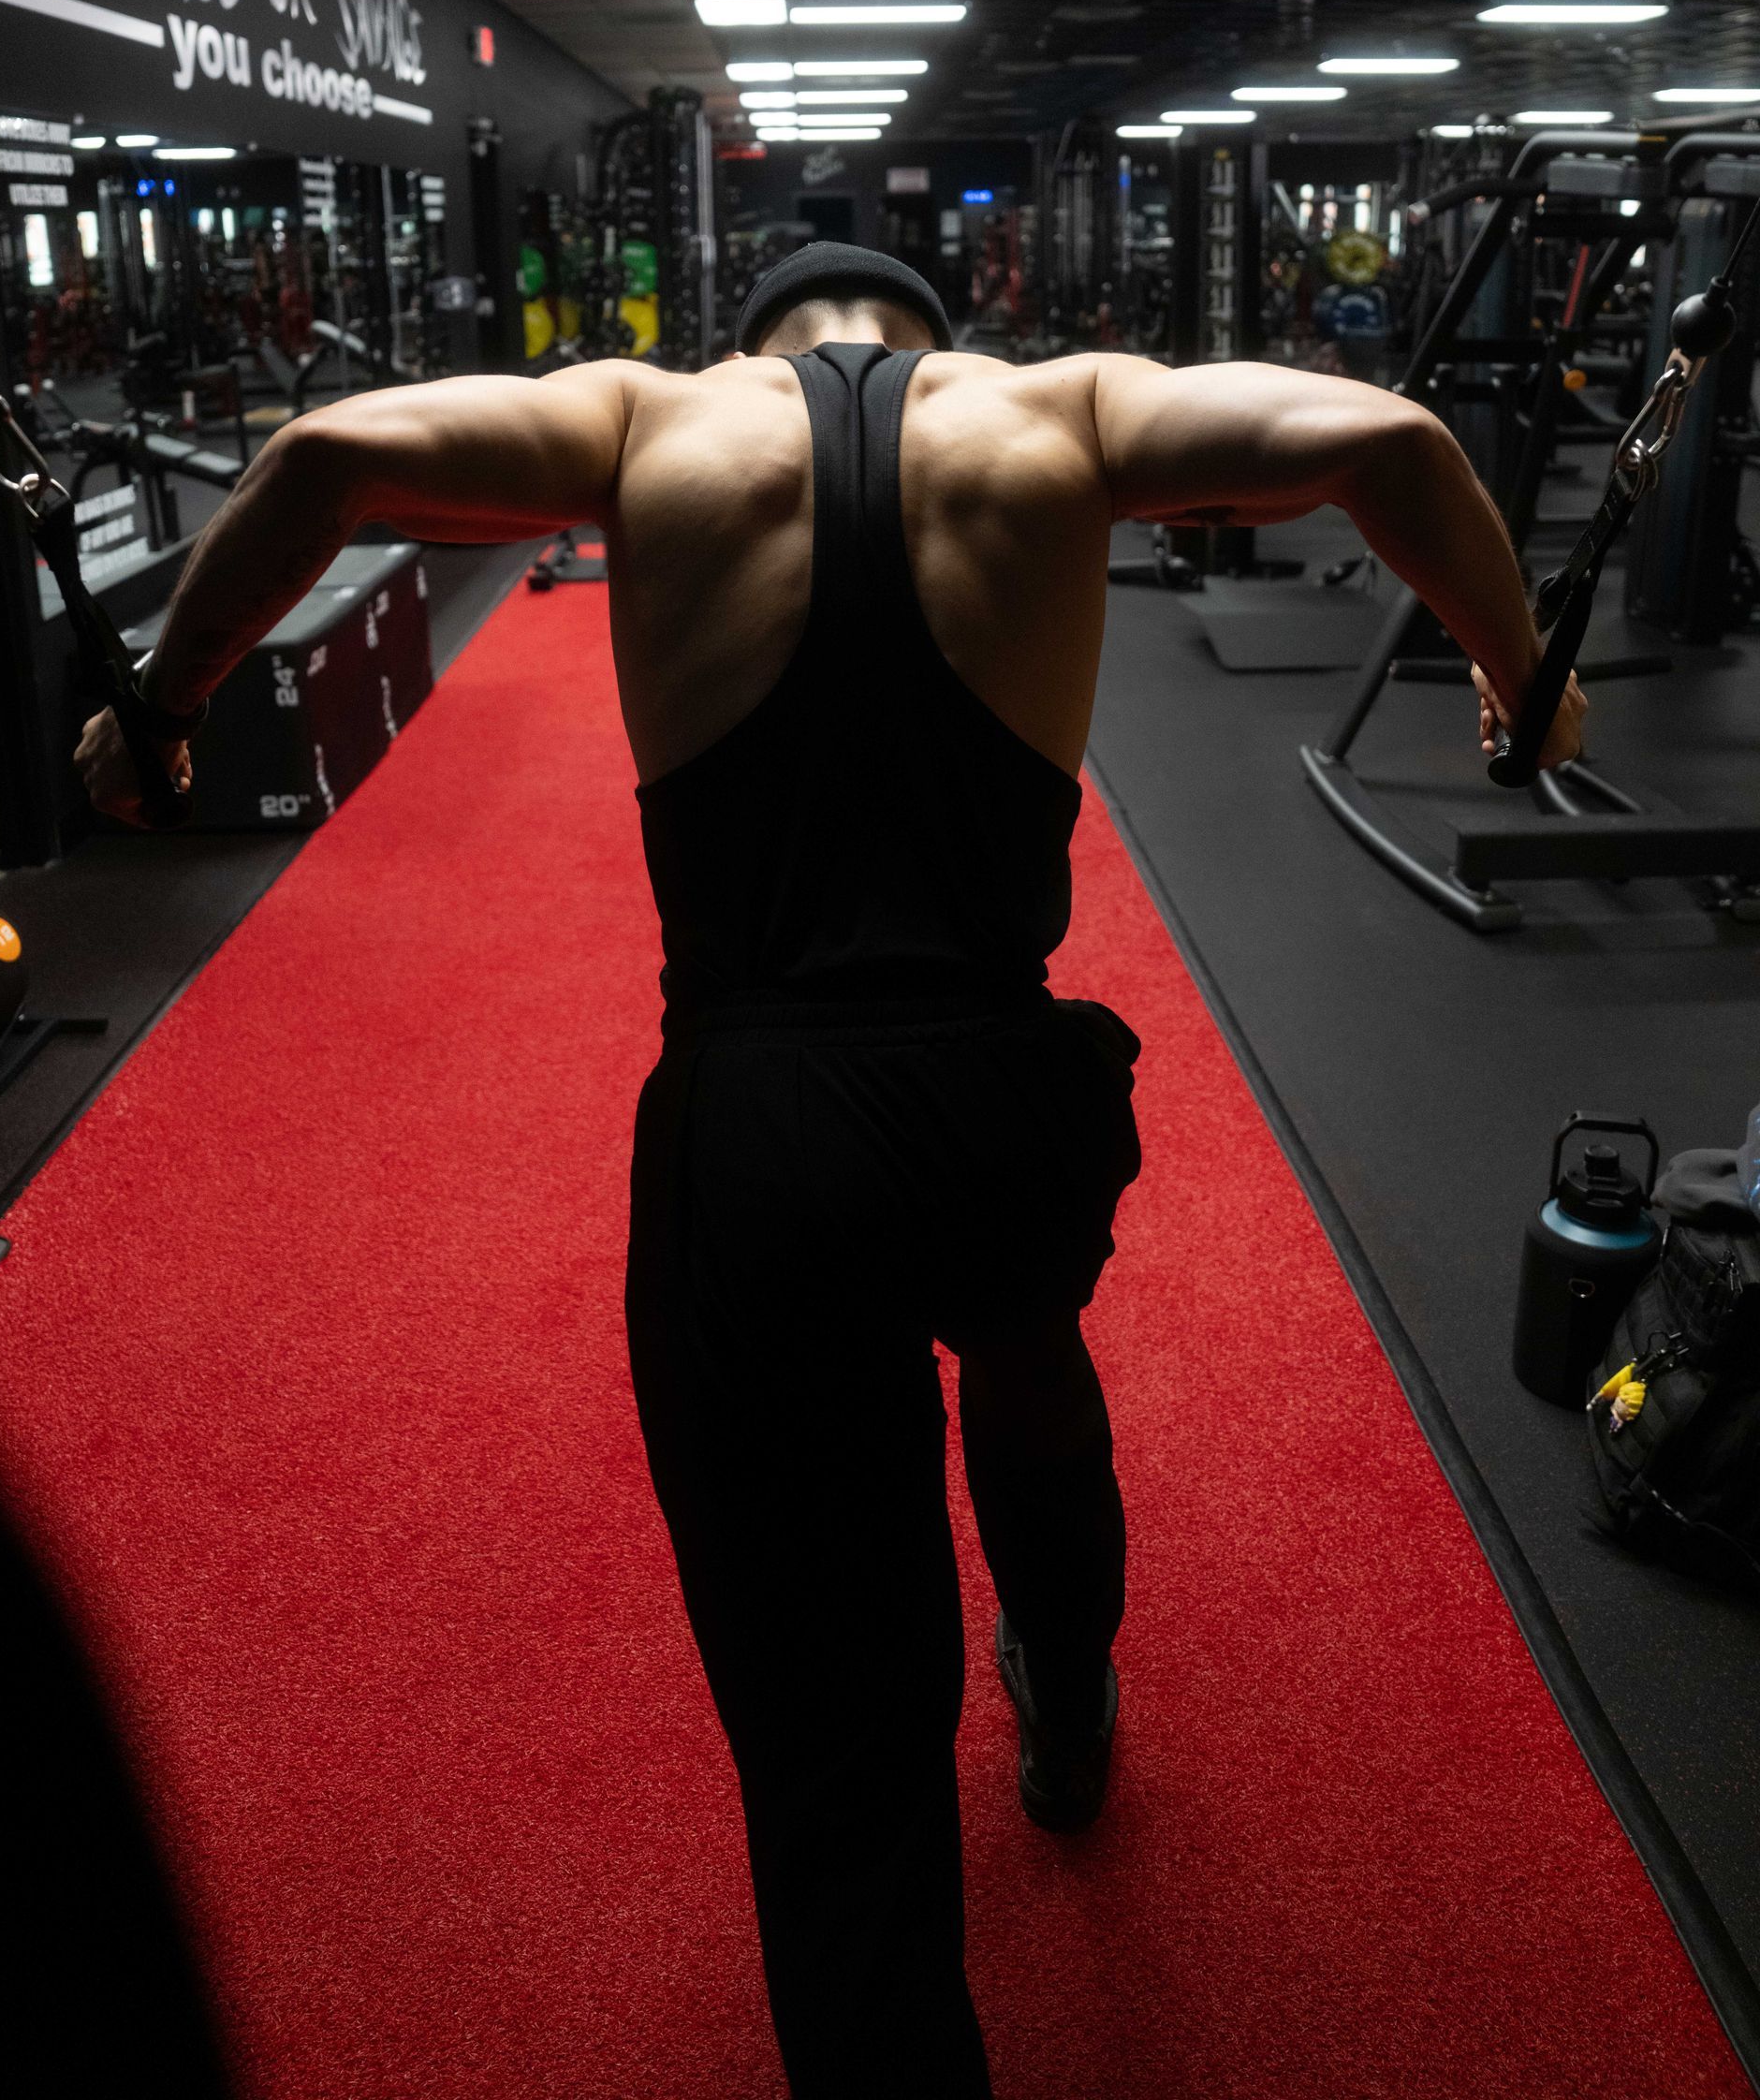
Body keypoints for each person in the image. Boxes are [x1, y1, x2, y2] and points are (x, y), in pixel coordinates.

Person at [76, 241, 1584, 2097]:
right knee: (1027, 1351)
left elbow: (317, 457)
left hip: (764, 1124)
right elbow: (1396, 437)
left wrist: (159, 710)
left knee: (838, 1740)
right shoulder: (1062, 408)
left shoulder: (652, 416)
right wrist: (1520, 678)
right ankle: (1071, 1689)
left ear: (759, 337)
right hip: (1003, 1097)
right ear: (939, 334)